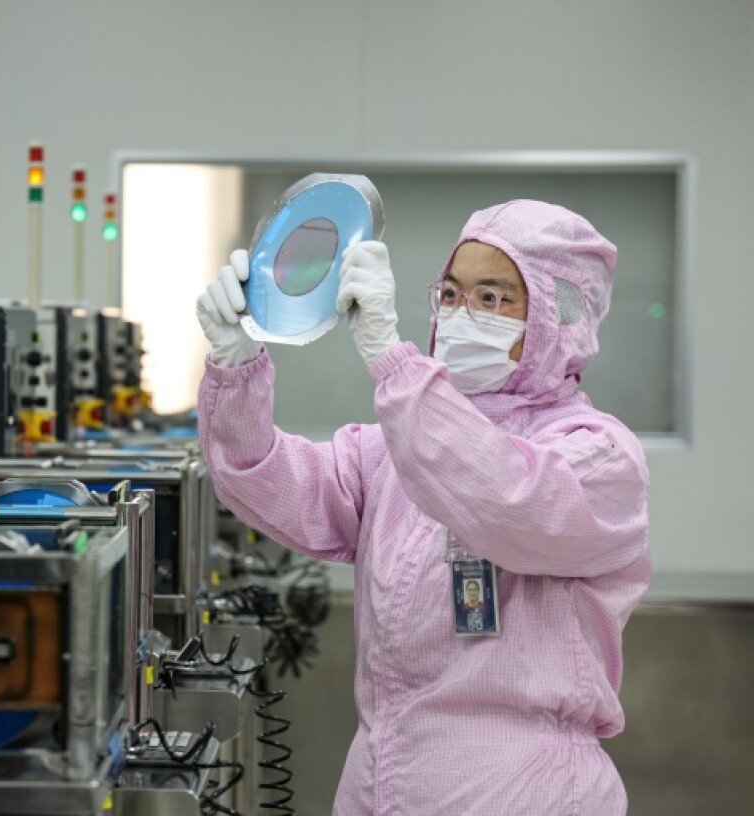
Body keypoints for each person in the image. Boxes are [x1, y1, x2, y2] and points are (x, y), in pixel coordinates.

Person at [195, 200, 650, 815]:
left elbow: (497, 493)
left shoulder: (597, 458)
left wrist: (391, 358)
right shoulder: (392, 448)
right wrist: (237, 361)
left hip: (525, 793)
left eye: (493, 299)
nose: (464, 315)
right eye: (454, 293)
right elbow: (263, 479)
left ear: (557, 318)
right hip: (383, 780)